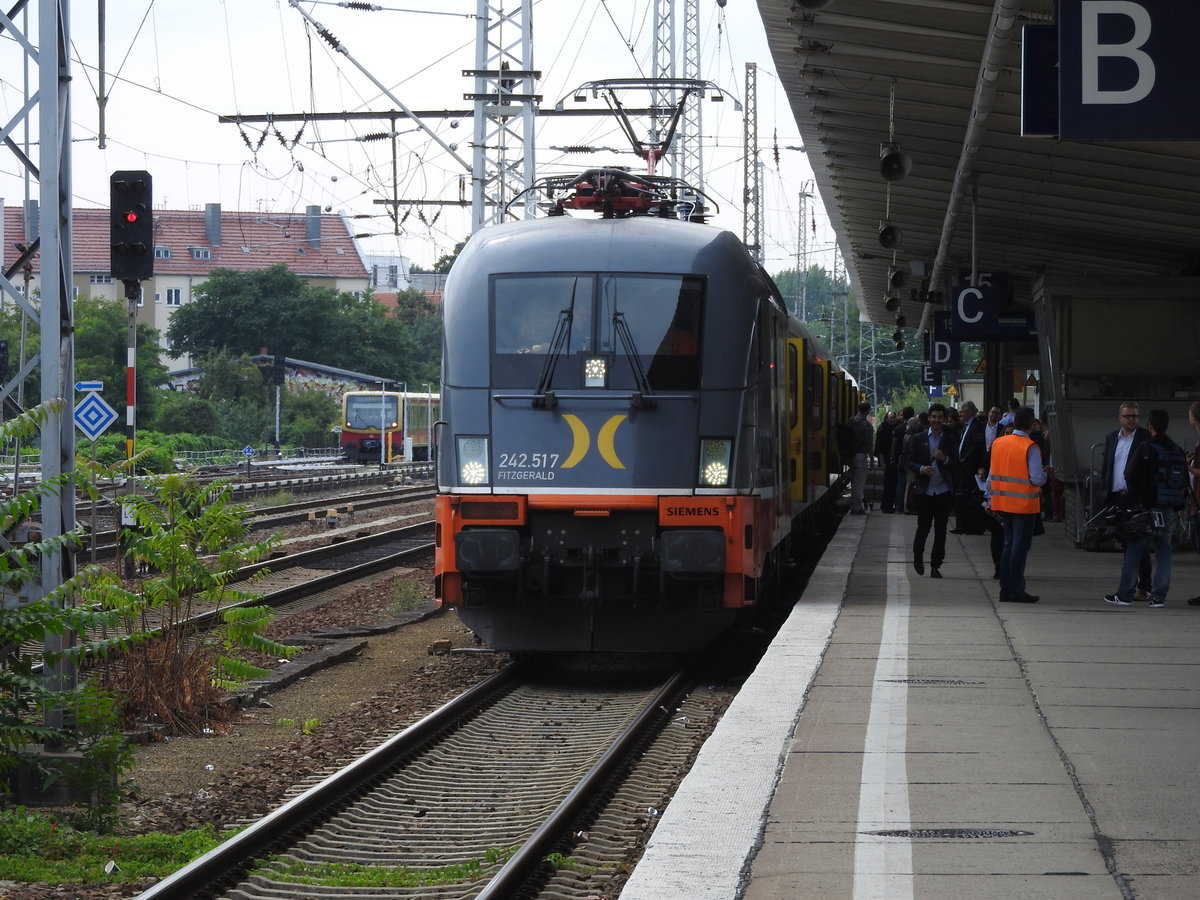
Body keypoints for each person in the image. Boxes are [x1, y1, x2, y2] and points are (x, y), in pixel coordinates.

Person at [1104, 408, 1184, 608]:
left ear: (1150, 426)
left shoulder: (1146, 448)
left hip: (1146, 508)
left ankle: (1124, 594)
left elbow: (1129, 475)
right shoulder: (1176, 449)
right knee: (1164, 552)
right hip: (1168, 508)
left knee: (1135, 550)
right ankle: (1158, 598)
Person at [988, 406, 1048, 602]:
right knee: (1019, 548)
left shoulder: (998, 443)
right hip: (1023, 504)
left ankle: (1005, 588)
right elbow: (1037, 479)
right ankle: (1016, 589)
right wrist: (1046, 474)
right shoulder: (1029, 447)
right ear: (1032, 425)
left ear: (1013, 423)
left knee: (1008, 545)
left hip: (1003, 502)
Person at [1101, 401, 1152, 600]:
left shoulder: (1145, 438)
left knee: (1139, 544)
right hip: (1117, 496)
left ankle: (1142, 586)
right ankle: (1134, 584)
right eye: (1128, 416)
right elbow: (1107, 465)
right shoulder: (1112, 438)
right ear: (1120, 417)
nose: (1131, 419)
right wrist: (1106, 492)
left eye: (1135, 416)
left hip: (1136, 497)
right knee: (1126, 543)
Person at [908, 403, 959, 578]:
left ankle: (936, 564)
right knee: (923, 527)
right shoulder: (918, 438)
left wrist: (944, 459)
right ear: (929, 418)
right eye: (934, 417)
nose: (937, 420)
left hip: (943, 491)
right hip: (925, 490)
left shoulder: (950, 440)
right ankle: (918, 556)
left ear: (944, 419)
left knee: (940, 530)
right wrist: (922, 469)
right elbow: (909, 462)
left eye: (940, 417)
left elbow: (956, 464)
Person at [952, 400, 988, 534]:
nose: (961, 414)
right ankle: (962, 525)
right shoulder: (965, 426)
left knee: (971, 496)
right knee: (961, 496)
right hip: (963, 467)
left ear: (971, 412)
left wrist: (966, 457)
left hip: (970, 467)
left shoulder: (976, 426)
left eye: (963, 411)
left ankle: (973, 525)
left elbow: (977, 445)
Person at [847, 400, 875, 515]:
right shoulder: (867, 426)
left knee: (853, 481)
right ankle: (856, 507)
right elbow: (869, 445)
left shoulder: (850, 421)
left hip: (850, 455)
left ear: (858, 409)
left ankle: (855, 505)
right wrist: (872, 461)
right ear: (868, 411)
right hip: (860, 456)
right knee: (859, 482)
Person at [875, 411, 898, 513]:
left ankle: (890, 504)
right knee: (888, 483)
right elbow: (879, 446)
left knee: (892, 483)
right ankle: (886, 505)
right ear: (887, 418)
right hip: (886, 458)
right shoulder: (883, 429)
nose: (892, 419)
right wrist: (881, 461)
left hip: (893, 459)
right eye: (890, 417)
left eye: (893, 417)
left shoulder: (897, 428)